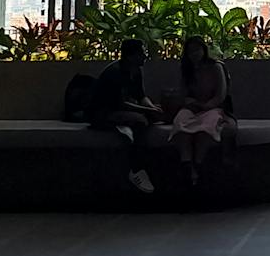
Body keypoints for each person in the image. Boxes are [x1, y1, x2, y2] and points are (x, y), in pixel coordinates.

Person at [88, 38, 162, 194]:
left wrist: (152, 107)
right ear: (131, 56)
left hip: (118, 110)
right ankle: (136, 168)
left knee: (150, 116)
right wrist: (146, 111)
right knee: (141, 121)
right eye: (142, 53)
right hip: (101, 114)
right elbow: (119, 104)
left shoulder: (135, 71)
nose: (145, 56)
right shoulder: (115, 73)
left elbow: (141, 95)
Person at [170, 35, 232, 186]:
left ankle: (199, 165)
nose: (194, 54)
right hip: (192, 108)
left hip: (213, 107)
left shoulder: (216, 67)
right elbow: (183, 93)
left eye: (197, 50)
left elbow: (221, 95)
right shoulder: (187, 70)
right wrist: (189, 102)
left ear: (204, 50)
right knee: (181, 124)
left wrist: (206, 105)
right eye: (191, 52)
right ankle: (186, 166)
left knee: (206, 128)